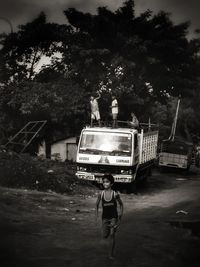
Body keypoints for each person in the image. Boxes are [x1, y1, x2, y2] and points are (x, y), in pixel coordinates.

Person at [95, 174, 123, 260]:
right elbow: (96, 205)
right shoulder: (101, 194)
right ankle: (107, 234)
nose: (105, 183)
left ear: (111, 184)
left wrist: (120, 216)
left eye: (107, 182)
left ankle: (110, 254)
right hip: (105, 218)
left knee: (112, 235)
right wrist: (96, 216)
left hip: (113, 217)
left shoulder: (115, 194)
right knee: (104, 235)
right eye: (104, 182)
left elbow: (121, 205)